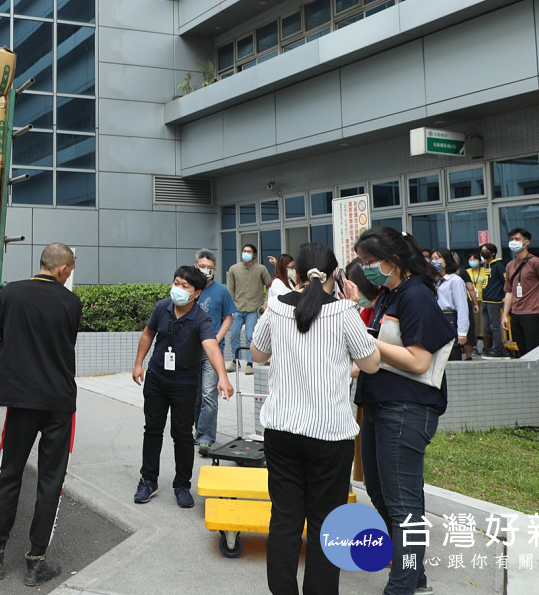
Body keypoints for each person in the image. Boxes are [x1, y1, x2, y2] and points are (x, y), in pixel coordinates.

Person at [251, 243, 380, 595]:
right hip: (329, 436)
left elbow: (258, 354)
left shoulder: (276, 307)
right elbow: (371, 364)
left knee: (285, 522)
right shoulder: (344, 312)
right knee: (326, 526)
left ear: (295, 274)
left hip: (281, 431)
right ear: (336, 274)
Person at [0, 243, 80, 587]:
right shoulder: (72, 303)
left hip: (22, 402)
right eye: (70, 270)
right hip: (60, 403)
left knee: (10, 475)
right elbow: (64, 342)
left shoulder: (11, 294)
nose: (69, 275)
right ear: (61, 269)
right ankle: (36, 563)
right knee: (50, 481)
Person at [353, 226, 457, 595]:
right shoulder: (389, 294)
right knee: (382, 495)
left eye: (369, 262)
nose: (365, 269)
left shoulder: (416, 297)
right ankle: (417, 575)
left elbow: (417, 361)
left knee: (402, 507)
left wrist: (366, 343)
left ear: (392, 261)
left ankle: (402, 586)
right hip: (380, 404)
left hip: (406, 410)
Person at [132, 265, 233, 509]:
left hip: (185, 383)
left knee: (183, 436)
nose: (177, 288)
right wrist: (138, 364)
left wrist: (223, 376)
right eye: (176, 282)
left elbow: (210, 346)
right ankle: (148, 480)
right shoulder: (161, 307)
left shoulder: (200, 317)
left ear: (196, 293)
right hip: (156, 378)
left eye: (184, 286)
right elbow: (147, 334)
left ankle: (182, 485)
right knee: (152, 430)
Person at [192, 249, 236, 456]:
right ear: (195, 267)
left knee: (209, 393)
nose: (206, 271)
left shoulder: (222, 291)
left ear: (215, 270)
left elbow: (229, 316)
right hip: (190, 349)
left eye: (210, 268)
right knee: (195, 394)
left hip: (213, 350)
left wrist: (216, 338)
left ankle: (205, 438)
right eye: (202, 267)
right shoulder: (189, 288)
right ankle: (197, 429)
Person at [502, 228, 539, 357]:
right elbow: (509, 292)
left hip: (533, 313)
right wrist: (505, 315)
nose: (513, 242)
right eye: (511, 239)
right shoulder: (510, 265)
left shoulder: (536, 262)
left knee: (534, 352)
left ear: (527, 242)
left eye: (517, 239)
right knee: (520, 352)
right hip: (515, 314)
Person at [225, 244, 271, 375]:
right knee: (233, 335)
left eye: (249, 251)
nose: (245, 253)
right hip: (237, 308)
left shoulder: (261, 269)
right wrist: (230, 308)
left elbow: (270, 285)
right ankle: (235, 361)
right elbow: (230, 290)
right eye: (244, 251)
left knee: (250, 336)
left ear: (254, 254)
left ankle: (250, 363)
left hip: (253, 308)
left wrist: (265, 301)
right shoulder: (234, 269)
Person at [431, 248, 470, 361]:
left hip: (449, 319)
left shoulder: (455, 280)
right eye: (432, 259)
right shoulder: (434, 280)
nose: (434, 262)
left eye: (437, 258)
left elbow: (462, 307)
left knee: (451, 354)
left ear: (447, 260)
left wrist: (462, 332)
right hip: (435, 318)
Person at [478, 243, 508, 356]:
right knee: (487, 327)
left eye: (486, 250)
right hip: (484, 300)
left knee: (495, 327)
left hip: (494, 301)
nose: (483, 253)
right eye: (482, 251)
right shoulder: (485, 265)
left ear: (493, 253)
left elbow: (505, 281)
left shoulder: (499, 265)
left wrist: (505, 296)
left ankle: (497, 349)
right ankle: (500, 348)